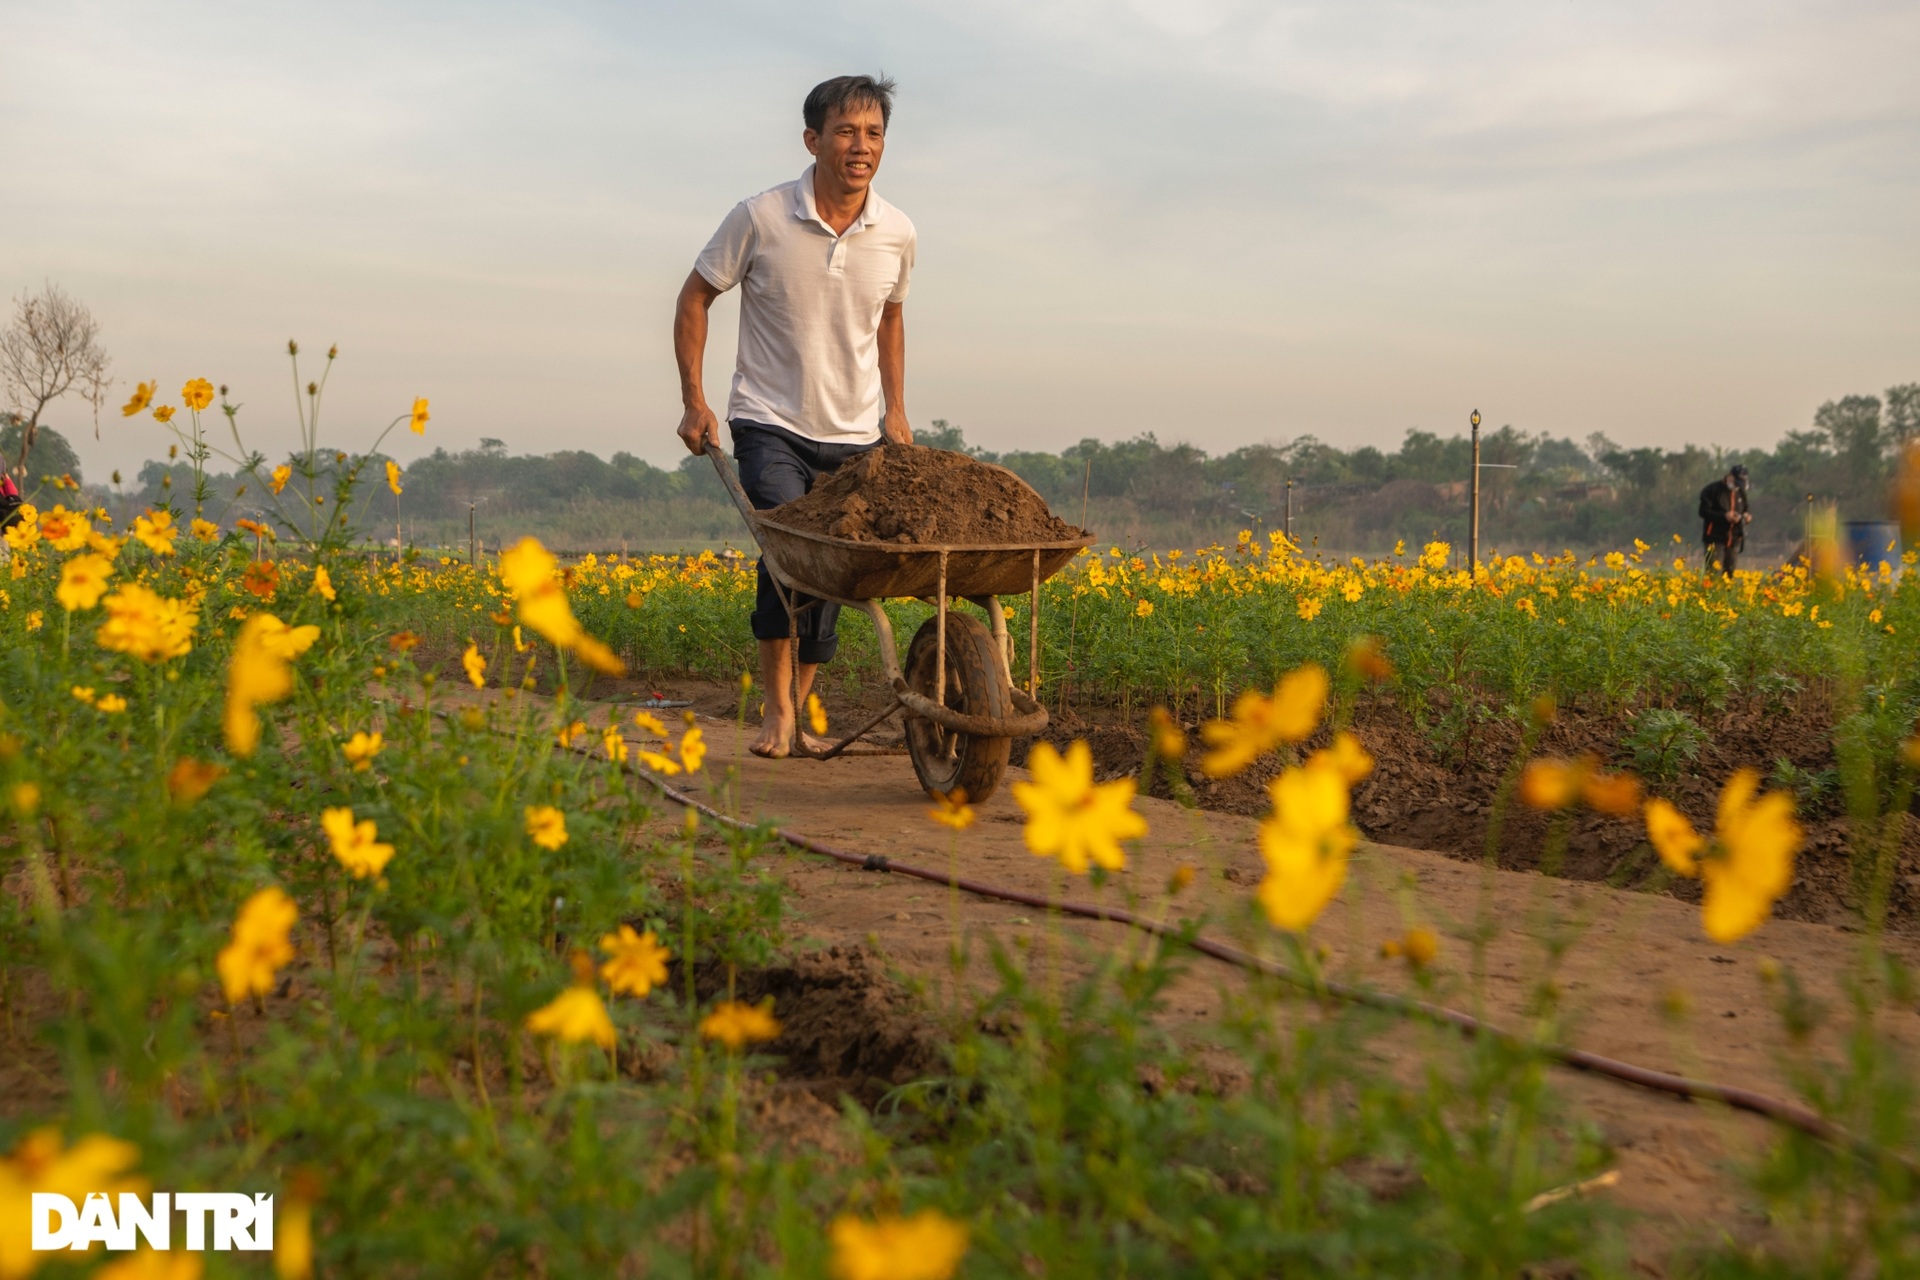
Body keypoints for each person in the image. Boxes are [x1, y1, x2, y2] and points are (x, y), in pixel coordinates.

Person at [672, 74, 916, 758]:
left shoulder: (896, 231)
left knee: (835, 570)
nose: (860, 145)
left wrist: (896, 411)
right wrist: (695, 399)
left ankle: (800, 702)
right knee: (790, 551)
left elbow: (892, 318)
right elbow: (695, 297)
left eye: (872, 133)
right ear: (813, 140)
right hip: (769, 421)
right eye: (845, 131)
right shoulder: (760, 217)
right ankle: (778, 708)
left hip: (856, 432)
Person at [1698, 463, 1751, 575]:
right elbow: (1703, 511)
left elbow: (1745, 509)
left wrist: (1746, 517)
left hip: (1734, 539)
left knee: (1729, 574)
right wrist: (1724, 516)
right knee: (1714, 573)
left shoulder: (1740, 492)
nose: (1737, 486)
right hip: (1715, 538)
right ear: (1730, 476)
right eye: (1736, 482)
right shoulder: (1712, 490)